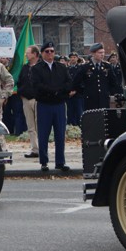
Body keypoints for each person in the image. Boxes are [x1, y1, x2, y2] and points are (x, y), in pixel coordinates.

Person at [32, 42, 74, 172]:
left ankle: (60, 162)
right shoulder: (37, 69)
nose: (50, 54)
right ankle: (44, 162)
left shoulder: (61, 67)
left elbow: (68, 83)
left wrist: (60, 91)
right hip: (44, 104)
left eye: (52, 51)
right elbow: (37, 85)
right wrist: (53, 91)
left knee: (60, 134)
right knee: (43, 134)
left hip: (59, 104)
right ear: (42, 53)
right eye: (47, 51)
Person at [72, 42, 121, 111]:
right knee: (92, 120)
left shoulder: (107, 66)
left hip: (104, 101)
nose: (102, 55)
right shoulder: (85, 67)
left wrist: (106, 92)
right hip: (90, 101)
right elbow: (75, 83)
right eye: (100, 53)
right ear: (93, 53)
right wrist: (85, 92)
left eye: (103, 52)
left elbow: (114, 83)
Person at [17, 45, 40, 158]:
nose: (26, 54)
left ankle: (42, 148)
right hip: (26, 99)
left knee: (39, 125)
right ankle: (34, 149)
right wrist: (21, 94)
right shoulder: (25, 68)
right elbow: (20, 81)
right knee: (30, 126)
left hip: (38, 100)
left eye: (28, 53)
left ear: (35, 54)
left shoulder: (41, 67)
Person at [66, 51, 84, 126]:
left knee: (79, 113)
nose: (73, 59)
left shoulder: (80, 68)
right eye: (71, 57)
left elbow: (82, 81)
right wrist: (68, 91)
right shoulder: (66, 69)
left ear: (77, 58)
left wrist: (75, 91)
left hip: (78, 94)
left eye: (74, 57)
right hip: (69, 95)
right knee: (69, 113)